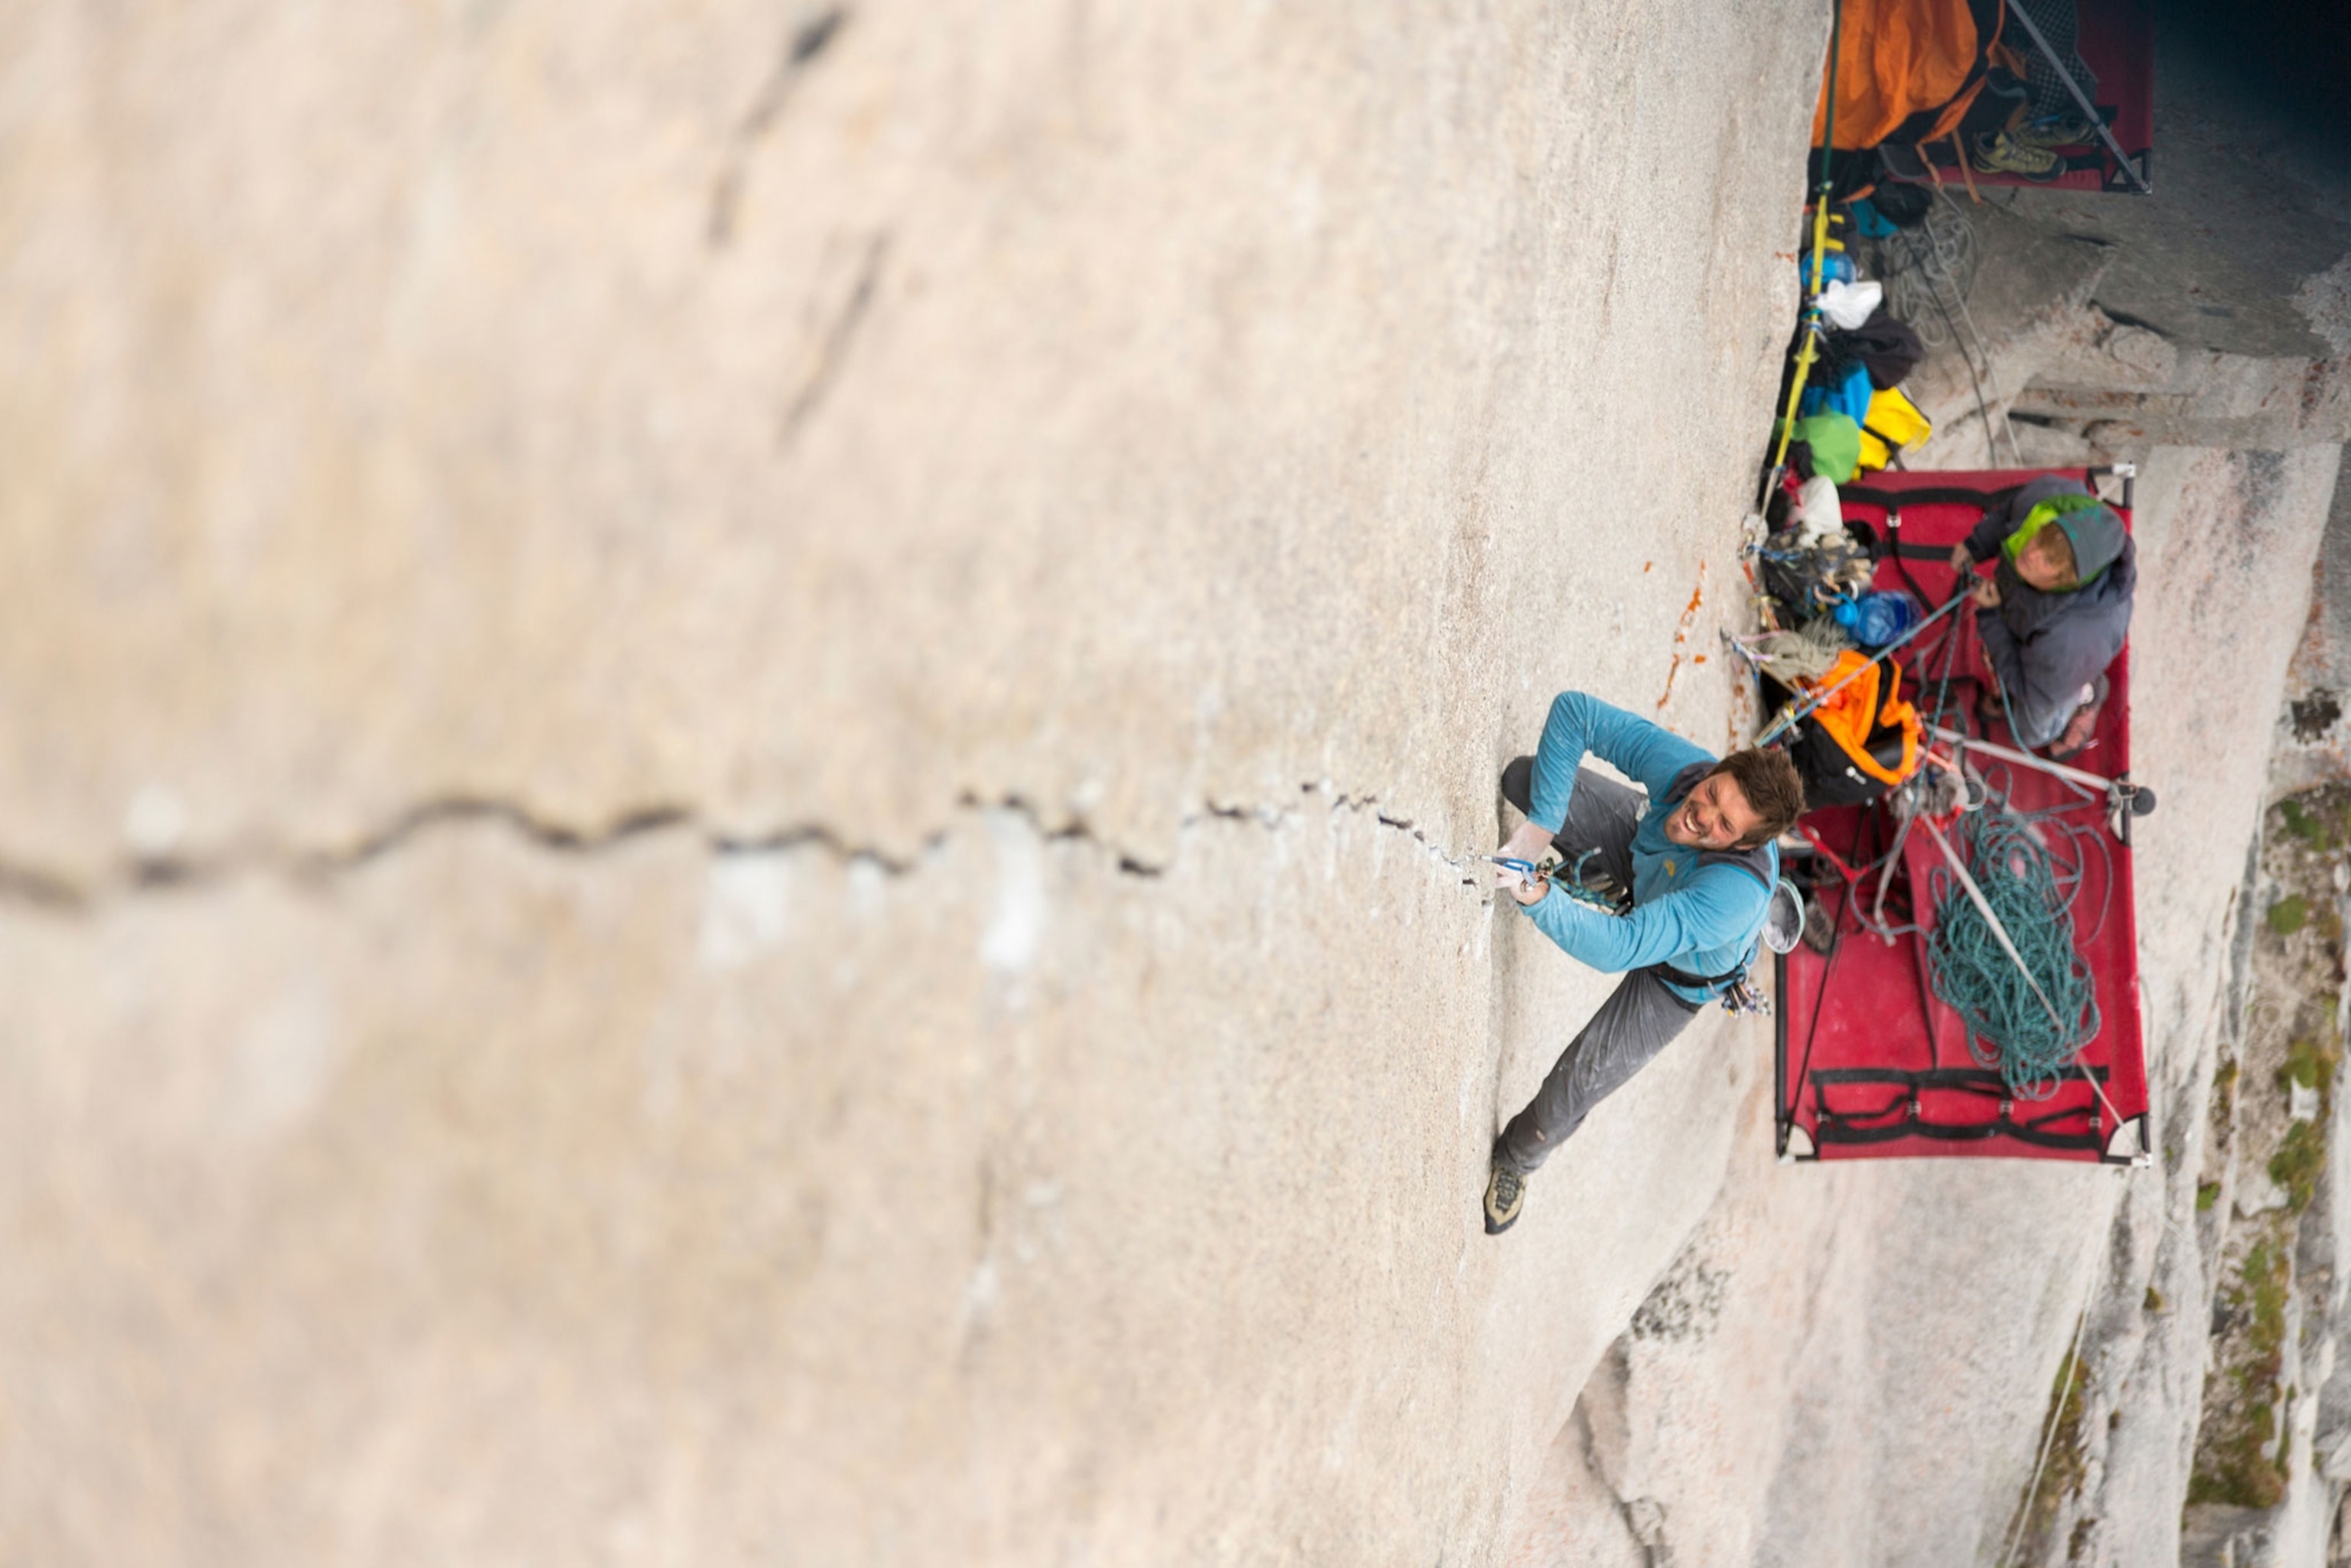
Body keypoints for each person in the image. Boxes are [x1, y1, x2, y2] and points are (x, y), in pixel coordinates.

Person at [1482, 693, 1806, 1235]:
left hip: (1679, 976)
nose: (1702, 813)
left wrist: (1537, 894)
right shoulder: (1688, 773)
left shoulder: (1728, 897)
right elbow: (1575, 713)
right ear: (1717, 770)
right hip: (1650, 861)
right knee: (1526, 778)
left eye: (1724, 825)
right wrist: (1538, 830)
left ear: (1746, 843)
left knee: (1577, 1082)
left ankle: (1517, 1160)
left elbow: (1620, 948)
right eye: (1711, 793)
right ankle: (1618, 877)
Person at [1946, 474, 2135, 761]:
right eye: (2041, 536)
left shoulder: (2072, 641)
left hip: (2062, 664)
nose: (2030, 553)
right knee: (2006, 651)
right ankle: (2015, 653)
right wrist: (1976, 545)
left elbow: (2027, 689)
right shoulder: (2048, 502)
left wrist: (1991, 616)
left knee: (2030, 731)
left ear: (2069, 580)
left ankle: (2087, 693)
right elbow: (2012, 513)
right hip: (2036, 622)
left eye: (2049, 560)